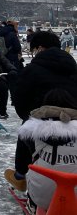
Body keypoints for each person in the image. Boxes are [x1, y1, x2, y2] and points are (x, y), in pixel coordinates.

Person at [4, 30, 77, 193]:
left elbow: (21, 98)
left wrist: (28, 118)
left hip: (42, 118)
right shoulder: (73, 67)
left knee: (26, 133)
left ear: (40, 48)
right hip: (73, 118)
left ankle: (20, 177)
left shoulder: (33, 68)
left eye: (34, 49)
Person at [16, 89, 77, 212]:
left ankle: (33, 205)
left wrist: (19, 173)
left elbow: (25, 159)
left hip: (41, 196)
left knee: (36, 164)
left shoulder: (31, 131)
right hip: (74, 196)